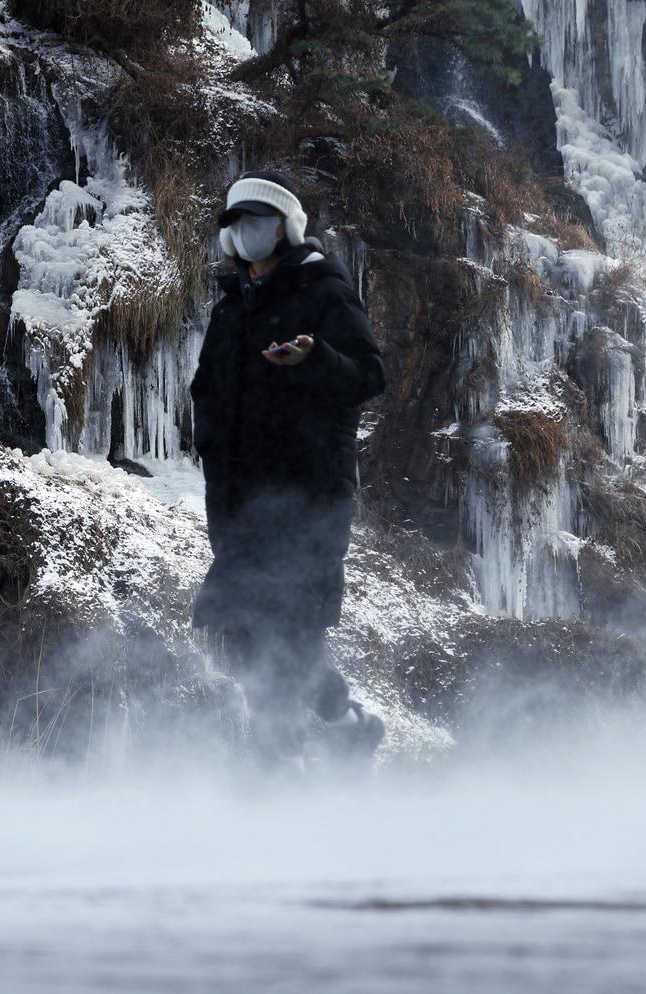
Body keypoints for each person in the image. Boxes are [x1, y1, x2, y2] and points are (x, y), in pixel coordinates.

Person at [190, 169, 387, 770]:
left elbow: (368, 373)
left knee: (289, 629)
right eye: (237, 224)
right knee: (238, 628)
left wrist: (313, 358)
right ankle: (342, 725)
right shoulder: (231, 309)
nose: (246, 234)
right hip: (239, 500)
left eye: (258, 222)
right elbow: (210, 392)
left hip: (309, 497)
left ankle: (276, 766)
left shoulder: (323, 289)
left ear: (285, 227)